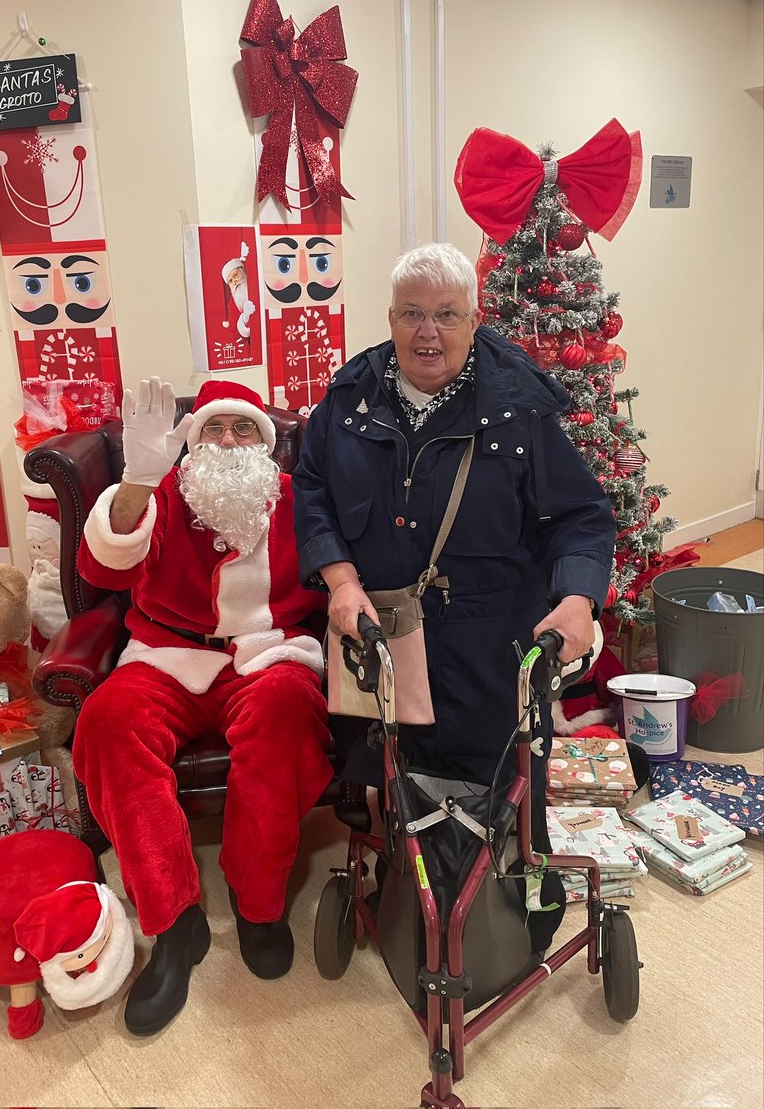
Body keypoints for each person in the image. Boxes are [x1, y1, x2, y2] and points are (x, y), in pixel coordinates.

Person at [292, 243, 615, 920]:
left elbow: (582, 516)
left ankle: (521, 898)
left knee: (503, 777)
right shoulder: (346, 402)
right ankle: (418, 900)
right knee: (396, 768)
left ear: (474, 321)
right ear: (389, 318)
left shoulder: (519, 411)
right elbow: (314, 489)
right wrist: (341, 582)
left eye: (446, 315)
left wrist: (578, 600)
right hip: (383, 632)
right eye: (411, 313)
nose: (426, 332)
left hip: (489, 636)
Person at [72, 377, 332, 1037]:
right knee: (107, 721)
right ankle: (174, 923)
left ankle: (259, 904)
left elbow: (341, 567)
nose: (225, 440)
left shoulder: (298, 502)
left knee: (286, 716)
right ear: (192, 442)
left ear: (266, 448)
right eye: (213, 428)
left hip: (267, 655)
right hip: (165, 655)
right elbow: (102, 572)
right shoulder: (162, 490)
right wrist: (135, 479)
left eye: (242, 429)